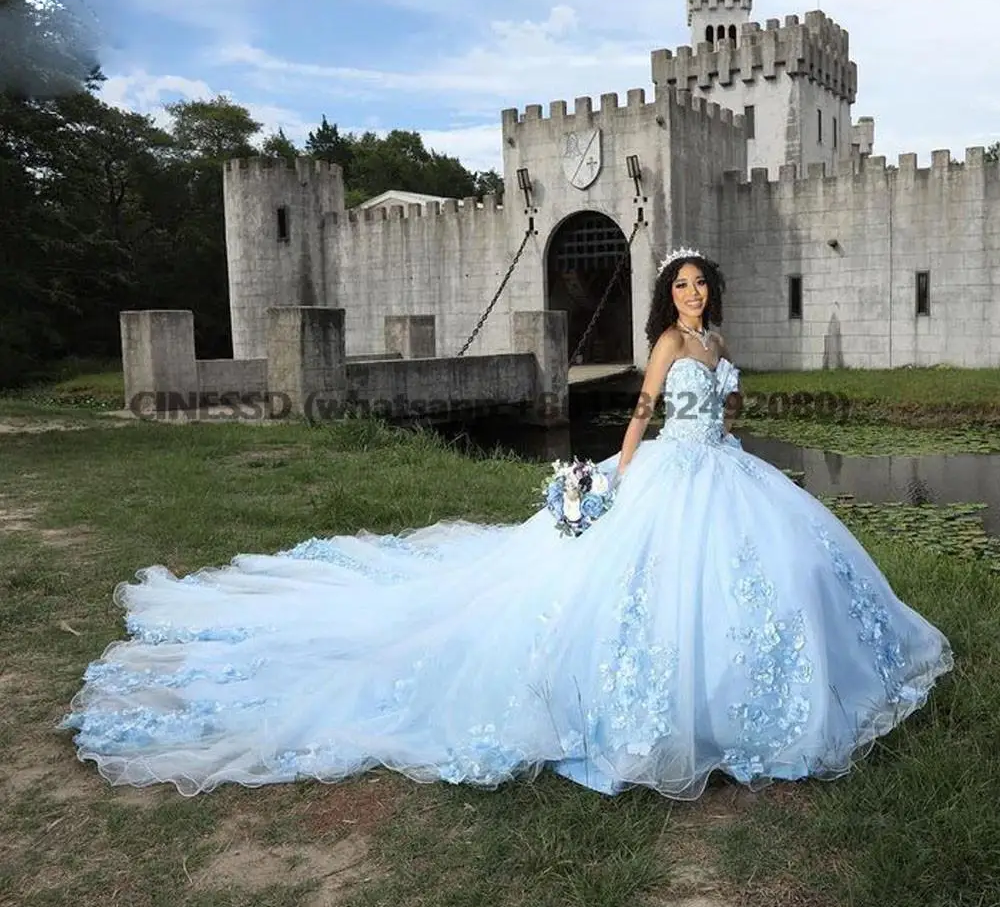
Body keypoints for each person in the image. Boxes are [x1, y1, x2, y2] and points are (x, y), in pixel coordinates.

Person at [60, 249, 954, 800]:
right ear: (667, 299)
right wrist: (616, 480)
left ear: (712, 294)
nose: (690, 297)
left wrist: (732, 439)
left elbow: (724, 414)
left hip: (726, 471)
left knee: (783, 579)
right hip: (666, 472)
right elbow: (643, 412)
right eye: (680, 287)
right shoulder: (670, 347)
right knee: (641, 593)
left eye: (700, 286)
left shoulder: (720, 346)